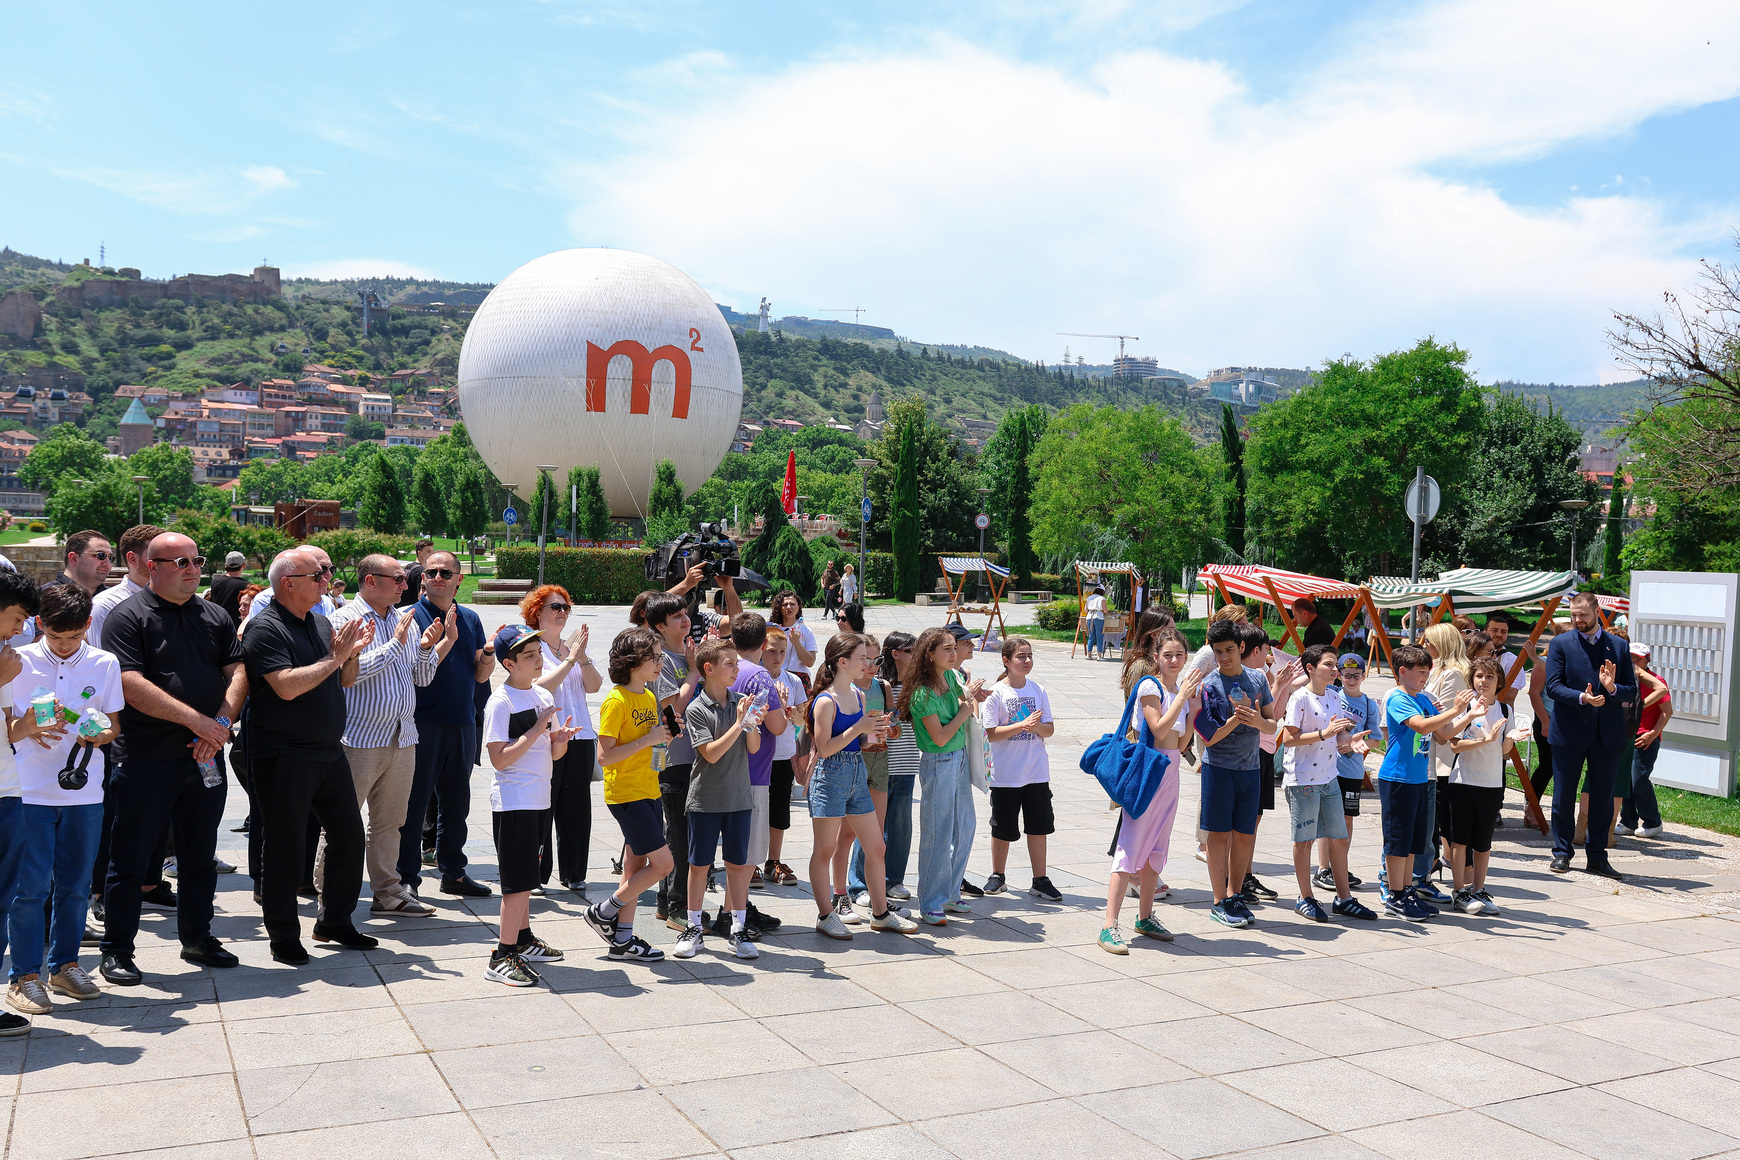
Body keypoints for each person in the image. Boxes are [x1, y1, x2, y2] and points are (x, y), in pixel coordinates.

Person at [99, 531, 247, 985]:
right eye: (181, 562)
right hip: (146, 759)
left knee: (199, 855)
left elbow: (239, 671)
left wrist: (219, 724)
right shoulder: (127, 617)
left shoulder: (214, 615)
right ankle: (117, 950)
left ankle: (198, 938)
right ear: (151, 566)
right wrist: (198, 722)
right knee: (131, 858)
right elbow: (130, 684)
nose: (193, 569)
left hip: (205, 756)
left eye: (197, 560)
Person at [242, 547, 375, 963]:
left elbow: (346, 680)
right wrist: (336, 656)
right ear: (288, 583)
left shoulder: (319, 623)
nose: (325, 581)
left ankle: (334, 920)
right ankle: (283, 936)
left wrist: (351, 654)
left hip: (327, 751)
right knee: (285, 845)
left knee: (349, 837)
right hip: (284, 754)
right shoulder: (264, 629)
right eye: (316, 575)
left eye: (324, 574)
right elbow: (285, 686)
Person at [5, 583, 120, 1014]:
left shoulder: (104, 662)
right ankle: (24, 975)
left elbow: (113, 725)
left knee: (76, 885)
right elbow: (8, 728)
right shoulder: (16, 661)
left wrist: (101, 733)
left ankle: (65, 965)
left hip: (83, 790)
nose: (65, 645)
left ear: (88, 624)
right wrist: (28, 727)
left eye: (74, 636)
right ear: (39, 624)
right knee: (29, 888)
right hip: (28, 790)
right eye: (56, 636)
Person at [327, 554, 452, 918]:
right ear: (370, 581)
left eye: (404, 579)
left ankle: (388, 893)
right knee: (340, 823)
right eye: (397, 579)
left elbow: (421, 678)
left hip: (402, 736)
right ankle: (329, 897)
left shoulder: (403, 620)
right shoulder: (344, 620)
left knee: (390, 823)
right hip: (359, 739)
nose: (405, 585)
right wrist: (395, 644)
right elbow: (348, 675)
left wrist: (426, 648)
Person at [481, 625, 578, 986]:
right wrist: (537, 729)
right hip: (514, 801)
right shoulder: (500, 702)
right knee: (517, 882)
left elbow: (553, 753)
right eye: (529, 656)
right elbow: (499, 759)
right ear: (509, 663)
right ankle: (502, 955)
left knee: (527, 876)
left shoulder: (541, 694)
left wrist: (560, 739)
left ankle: (522, 940)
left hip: (539, 798)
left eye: (539, 653)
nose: (539, 660)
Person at [807, 633, 914, 937]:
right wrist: (859, 727)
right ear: (843, 662)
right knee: (825, 849)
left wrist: (877, 733)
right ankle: (826, 915)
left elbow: (861, 742)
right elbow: (825, 748)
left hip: (857, 772)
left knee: (876, 846)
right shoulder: (825, 701)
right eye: (862, 658)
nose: (868, 664)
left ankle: (880, 914)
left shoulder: (859, 695)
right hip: (830, 777)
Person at [401, 551, 494, 899]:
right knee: (414, 804)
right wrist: (443, 640)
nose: (438, 577)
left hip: (463, 722)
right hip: (422, 723)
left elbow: (480, 675)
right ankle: (406, 877)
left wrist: (488, 654)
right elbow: (412, 670)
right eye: (431, 572)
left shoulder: (470, 618)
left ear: (459, 579)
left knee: (456, 804)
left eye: (445, 572)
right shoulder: (410, 617)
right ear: (423, 578)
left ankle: (453, 872)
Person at [1101, 629, 1200, 952]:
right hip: (1148, 773)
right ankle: (1109, 925)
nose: (1174, 660)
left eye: (1180, 655)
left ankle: (1145, 917)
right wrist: (1183, 699)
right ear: (1156, 657)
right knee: (1130, 846)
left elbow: (1181, 744)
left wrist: (1193, 708)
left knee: (1157, 847)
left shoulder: (1178, 690)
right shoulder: (1150, 686)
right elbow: (1157, 730)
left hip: (1170, 771)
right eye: (1168, 655)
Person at [585, 627, 672, 962]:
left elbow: (649, 749)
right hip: (626, 794)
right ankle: (604, 911)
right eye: (655, 657)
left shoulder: (649, 697)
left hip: (649, 789)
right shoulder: (616, 700)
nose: (660, 663)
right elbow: (604, 756)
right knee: (663, 864)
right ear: (635, 661)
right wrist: (648, 739)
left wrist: (664, 740)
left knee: (635, 869)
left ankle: (622, 940)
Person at [675, 638, 763, 959]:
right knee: (699, 865)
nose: (736, 669)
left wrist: (751, 723)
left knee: (737, 866)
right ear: (708, 669)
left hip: (739, 798)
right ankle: (694, 927)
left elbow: (753, 748)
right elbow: (710, 754)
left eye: (737, 663)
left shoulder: (740, 701)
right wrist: (739, 723)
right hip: (706, 800)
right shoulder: (697, 709)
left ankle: (738, 929)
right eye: (730, 664)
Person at [1377, 644, 1473, 922]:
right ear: (1402, 671)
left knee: (1413, 841)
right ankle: (1395, 895)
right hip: (1398, 778)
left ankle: (1407, 890)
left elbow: (1443, 734)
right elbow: (1420, 726)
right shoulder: (1398, 698)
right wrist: (1454, 709)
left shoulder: (1423, 698)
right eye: (1420, 671)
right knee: (1398, 840)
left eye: (1427, 671)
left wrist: (1468, 715)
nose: (1425, 677)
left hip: (1419, 778)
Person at [1279, 644, 1375, 922]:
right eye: (1329, 665)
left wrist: (1349, 741)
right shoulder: (1300, 698)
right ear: (1310, 668)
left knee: (1339, 837)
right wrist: (1324, 733)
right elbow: (1288, 739)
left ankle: (1344, 898)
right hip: (1303, 780)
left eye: (1335, 665)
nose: (1335, 670)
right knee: (1304, 840)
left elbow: (1339, 735)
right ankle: (1305, 897)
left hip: (1329, 777)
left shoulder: (1334, 696)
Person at [1543, 592, 1635, 878]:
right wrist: (1582, 697)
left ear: (1597, 611)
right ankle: (1562, 853)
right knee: (1563, 795)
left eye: (1582, 614)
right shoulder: (1560, 644)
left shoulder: (1618, 646)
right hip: (1569, 732)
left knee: (1603, 799)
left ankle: (1597, 856)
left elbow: (1631, 690)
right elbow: (1553, 686)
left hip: (1606, 735)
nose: (1577, 619)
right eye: (1573, 614)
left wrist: (1612, 688)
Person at [1192, 619, 1275, 929]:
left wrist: (1255, 720)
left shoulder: (1258, 679)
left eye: (1229, 650)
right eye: (1218, 652)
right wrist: (1237, 720)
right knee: (1218, 835)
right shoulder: (1209, 684)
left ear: (1241, 647)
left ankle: (1235, 895)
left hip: (1250, 769)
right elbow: (1210, 737)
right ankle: (1219, 900)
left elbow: (1271, 725)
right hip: (1218, 769)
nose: (1224, 657)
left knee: (1244, 835)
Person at [903, 626, 986, 927]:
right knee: (937, 834)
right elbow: (939, 738)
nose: (954, 654)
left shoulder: (950, 677)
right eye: (947, 649)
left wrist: (974, 697)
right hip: (939, 763)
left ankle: (950, 892)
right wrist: (964, 711)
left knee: (965, 826)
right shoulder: (922, 694)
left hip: (959, 757)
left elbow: (968, 700)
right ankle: (930, 901)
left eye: (954, 647)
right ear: (929, 654)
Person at [525, 585, 600, 894]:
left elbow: (594, 686)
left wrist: (581, 658)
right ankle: (536, 874)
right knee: (545, 805)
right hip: (548, 737)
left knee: (577, 809)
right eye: (555, 607)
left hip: (580, 735)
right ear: (537, 612)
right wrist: (570, 660)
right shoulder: (532, 646)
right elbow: (537, 687)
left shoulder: (571, 649)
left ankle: (574, 872)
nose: (562, 612)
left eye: (565, 607)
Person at [980, 637, 1061, 901]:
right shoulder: (996, 693)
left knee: (1039, 826)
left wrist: (1036, 727)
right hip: (1006, 774)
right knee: (1002, 827)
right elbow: (989, 733)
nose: (1027, 661)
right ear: (1006, 661)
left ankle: (1040, 879)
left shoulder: (1038, 690)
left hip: (1036, 772)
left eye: (1030, 656)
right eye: (1021, 656)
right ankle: (997, 875)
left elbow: (1048, 729)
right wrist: (1021, 725)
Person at [1445, 655, 1523, 914]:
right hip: (1464, 781)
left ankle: (1478, 888)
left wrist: (1512, 738)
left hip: (1491, 783)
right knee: (1460, 840)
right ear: (1472, 680)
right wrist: (1485, 739)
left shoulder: (1505, 710)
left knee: (1483, 842)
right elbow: (1455, 744)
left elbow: (1504, 750)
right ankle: (1459, 891)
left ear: (1499, 682)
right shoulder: (1466, 707)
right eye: (1479, 676)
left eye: (1490, 676)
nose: (1484, 681)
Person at [724, 613, 786, 938]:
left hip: (722, 769)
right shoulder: (760, 676)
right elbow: (777, 725)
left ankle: (736, 909)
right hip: (753, 772)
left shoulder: (724, 667)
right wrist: (783, 707)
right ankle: (733, 915)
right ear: (763, 644)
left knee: (735, 850)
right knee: (747, 856)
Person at [645, 594, 700, 929]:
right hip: (672, 758)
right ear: (660, 626)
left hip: (696, 755)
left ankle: (666, 902)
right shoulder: (662, 660)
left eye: (685, 613)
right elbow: (672, 709)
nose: (685, 619)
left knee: (683, 831)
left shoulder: (689, 652)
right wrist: (693, 671)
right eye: (676, 616)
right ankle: (678, 907)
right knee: (678, 833)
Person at [1314, 654, 1383, 893]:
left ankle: (1340, 866)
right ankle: (1324, 868)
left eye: (1356, 676)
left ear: (1363, 676)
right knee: (1327, 818)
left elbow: (1375, 739)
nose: (1351, 680)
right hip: (1330, 769)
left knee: (1346, 819)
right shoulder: (1332, 695)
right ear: (1339, 676)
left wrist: (1356, 745)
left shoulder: (1369, 705)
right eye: (1346, 676)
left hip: (1352, 771)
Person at [1415, 622, 1470, 905]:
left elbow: (1445, 719)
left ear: (1443, 644)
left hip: (1444, 758)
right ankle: (1428, 870)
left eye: (1428, 641)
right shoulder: (1437, 670)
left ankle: (1461, 882)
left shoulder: (1453, 674)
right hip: (1430, 755)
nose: (1423, 646)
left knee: (1443, 822)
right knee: (1432, 822)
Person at [841, 635, 896, 914]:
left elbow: (894, 723)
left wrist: (890, 728)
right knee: (847, 834)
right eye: (866, 660)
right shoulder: (847, 690)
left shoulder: (882, 686)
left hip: (880, 758)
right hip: (855, 759)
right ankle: (850, 887)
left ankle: (876, 896)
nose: (872, 666)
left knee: (877, 832)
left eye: (877, 660)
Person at [0, 572, 32, 1035]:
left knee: (4, 898)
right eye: (18, 617)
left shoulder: (6, 656)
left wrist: (31, 725)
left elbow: (9, 728)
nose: (20, 629)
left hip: (9, 790)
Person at [869, 631, 919, 903]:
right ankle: (861, 883)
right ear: (895, 653)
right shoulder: (879, 686)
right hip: (879, 764)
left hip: (907, 763)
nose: (915, 654)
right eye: (910, 650)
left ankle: (894, 880)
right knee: (872, 828)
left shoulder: (918, 686)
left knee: (901, 828)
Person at [761, 627, 805, 886]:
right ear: (761, 651)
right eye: (771, 651)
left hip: (784, 754)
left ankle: (773, 860)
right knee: (755, 810)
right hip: (757, 754)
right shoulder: (755, 677)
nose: (777, 657)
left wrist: (791, 711)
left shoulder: (793, 681)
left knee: (779, 810)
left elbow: (800, 719)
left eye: (782, 651)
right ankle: (749, 862)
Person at [1619, 641, 1671, 838]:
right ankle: (1628, 821)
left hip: (1646, 736)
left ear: (1646, 661)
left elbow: (1667, 711)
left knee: (1639, 778)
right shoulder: (1624, 679)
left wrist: (1653, 733)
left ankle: (1653, 822)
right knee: (1626, 779)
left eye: (1637, 659)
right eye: (1630, 657)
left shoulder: (1656, 681)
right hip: (1626, 734)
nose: (1633, 662)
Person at [89, 524, 164, 654]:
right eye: (158, 556)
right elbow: (104, 660)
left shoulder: (180, 599)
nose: (168, 562)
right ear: (132, 559)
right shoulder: (106, 605)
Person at [769, 590, 817, 685]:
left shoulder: (806, 631)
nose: (788, 607)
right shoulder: (773, 629)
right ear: (779, 607)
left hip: (800, 677)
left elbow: (810, 662)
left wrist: (796, 642)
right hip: (777, 675)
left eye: (792, 604)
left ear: (798, 607)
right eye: (785, 605)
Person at [1485, 613, 1532, 708]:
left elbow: (1510, 694)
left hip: (1501, 713)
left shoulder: (1513, 661)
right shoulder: (1474, 655)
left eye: (1503, 632)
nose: (1499, 634)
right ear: (1485, 632)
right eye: (1494, 630)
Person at [52, 530, 113, 597]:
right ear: (74, 559)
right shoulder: (46, 598)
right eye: (101, 555)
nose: (107, 564)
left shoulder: (115, 599)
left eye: (110, 558)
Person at [205, 552, 250, 624]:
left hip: (217, 623)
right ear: (243, 565)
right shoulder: (247, 586)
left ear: (226, 565)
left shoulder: (216, 582)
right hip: (236, 625)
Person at [400, 539, 434, 608]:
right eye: (428, 551)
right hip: (413, 609)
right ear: (419, 553)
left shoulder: (408, 567)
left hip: (401, 606)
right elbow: (421, 596)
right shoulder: (420, 571)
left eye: (432, 552)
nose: (431, 555)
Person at [1085, 585, 1107, 660]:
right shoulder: (1102, 598)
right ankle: (1099, 655)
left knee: (1091, 636)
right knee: (1099, 636)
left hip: (1089, 616)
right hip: (1098, 617)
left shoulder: (1089, 598)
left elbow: (1085, 610)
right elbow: (1105, 610)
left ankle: (1089, 654)